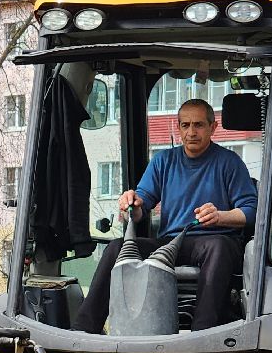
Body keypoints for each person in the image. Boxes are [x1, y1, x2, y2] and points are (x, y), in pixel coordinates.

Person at [74, 98, 258, 334]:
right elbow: (141, 206)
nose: (191, 132)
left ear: (213, 127)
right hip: (171, 243)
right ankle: (83, 330)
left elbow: (251, 211)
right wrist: (132, 205)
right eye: (185, 125)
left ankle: (202, 333)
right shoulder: (163, 161)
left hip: (214, 241)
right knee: (116, 248)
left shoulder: (230, 163)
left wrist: (220, 216)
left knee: (219, 247)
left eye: (199, 125)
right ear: (178, 127)